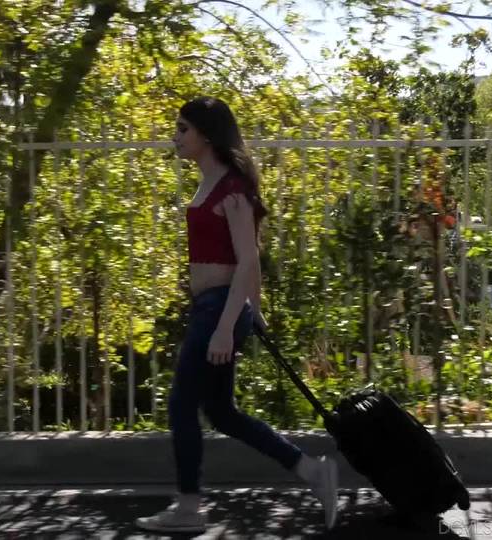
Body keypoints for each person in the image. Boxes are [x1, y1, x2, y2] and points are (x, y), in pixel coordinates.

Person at [135, 97, 339, 533]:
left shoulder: (231, 189)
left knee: (181, 405)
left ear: (206, 135)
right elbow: (248, 258)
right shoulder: (211, 183)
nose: (175, 136)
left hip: (219, 309)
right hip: (216, 307)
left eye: (183, 129)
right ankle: (312, 471)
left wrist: (229, 325)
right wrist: (254, 310)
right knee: (221, 413)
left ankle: (189, 507)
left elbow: (247, 259)